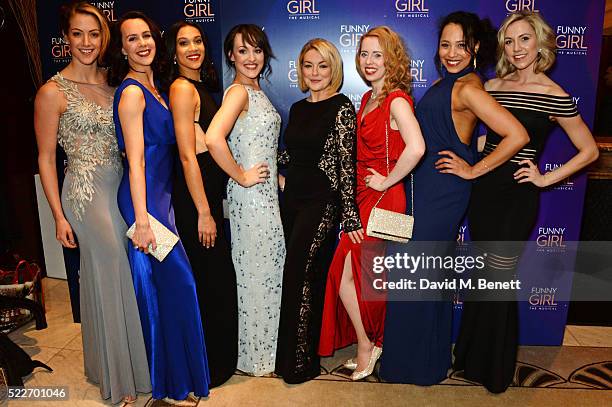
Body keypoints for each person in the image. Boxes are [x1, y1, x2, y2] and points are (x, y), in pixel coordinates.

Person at [380, 11, 530, 386]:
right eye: (444, 45)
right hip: (422, 185)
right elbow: (455, 134)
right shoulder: (454, 81)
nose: (450, 52)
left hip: (441, 192)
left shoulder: (468, 88)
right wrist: (468, 151)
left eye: (460, 45)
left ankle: (415, 365)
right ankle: (422, 359)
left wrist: (472, 168)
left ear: (476, 47)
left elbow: (517, 135)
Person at [453, 11, 599, 393]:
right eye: (509, 41)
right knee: (483, 275)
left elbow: (589, 151)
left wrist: (545, 177)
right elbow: (490, 141)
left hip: (518, 196)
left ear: (540, 43)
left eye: (524, 39)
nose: (516, 48)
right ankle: (471, 357)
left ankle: (496, 369)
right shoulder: (493, 85)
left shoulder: (554, 94)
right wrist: (465, 157)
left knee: (499, 277)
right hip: (484, 192)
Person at [33, 2, 150, 404]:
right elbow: (47, 158)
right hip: (84, 192)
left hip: (119, 187)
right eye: (78, 34)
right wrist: (57, 215)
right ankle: (120, 380)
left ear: (104, 39)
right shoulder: (52, 91)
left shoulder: (114, 81)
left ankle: (112, 365)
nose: (87, 42)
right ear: (66, 38)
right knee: (113, 266)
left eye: (95, 34)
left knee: (114, 274)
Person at [107, 11, 209, 405]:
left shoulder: (158, 88)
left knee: (172, 289)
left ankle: (177, 378)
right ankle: (167, 385)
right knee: (165, 288)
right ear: (122, 48)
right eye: (132, 39)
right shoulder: (133, 92)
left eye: (146, 35)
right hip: (144, 202)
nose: (142, 43)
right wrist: (143, 221)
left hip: (160, 198)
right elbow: (136, 161)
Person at [318, 26, 426, 381]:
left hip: (383, 199)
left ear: (392, 59)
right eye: (364, 54)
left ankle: (369, 343)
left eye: (377, 54)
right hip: (366, 198)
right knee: (350, 275)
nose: (368, 61)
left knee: (364, 278)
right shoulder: (367, 99)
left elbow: (417, 147)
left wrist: (387, 179)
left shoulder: (395, 100)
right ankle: (369, 341)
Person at [274, 38, 362, 384]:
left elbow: (345, 165)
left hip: (322, 203)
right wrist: (261, 161)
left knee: (302, 274)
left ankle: (302, 362)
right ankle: (291, 358)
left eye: (322, 66)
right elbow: (294, 155)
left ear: (333, 70)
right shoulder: (297, 108)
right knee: (295, 277)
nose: (315, 73)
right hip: (292, 200)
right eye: (308, 65)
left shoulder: (341, 108)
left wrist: (349, 214)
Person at [206, 24, 285, 376]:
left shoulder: (256, 90)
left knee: (265, 269)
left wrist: (274, 174)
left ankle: (262, 350)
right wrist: (241, 175)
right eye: (243, 51)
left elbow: (253, 140)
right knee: (256, 272)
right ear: (230, 55)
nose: (251, 58)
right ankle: (256, 357)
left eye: (256, 50)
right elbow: (212, 138)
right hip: (250, 199)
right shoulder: (238, 92)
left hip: (264, 196)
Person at [165, 21, 238, 388]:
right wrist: (205, 212)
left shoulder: (201, 87)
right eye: (183, 43)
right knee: (210, 283)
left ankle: (215, 363)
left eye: (197, 41)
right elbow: (186, 155)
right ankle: (207, 368)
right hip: (197, 200)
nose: (192, 48)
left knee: (215, 281)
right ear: (173, 51)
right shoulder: (181, 88)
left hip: (206, 194)